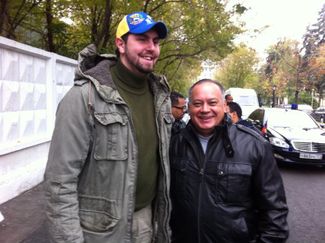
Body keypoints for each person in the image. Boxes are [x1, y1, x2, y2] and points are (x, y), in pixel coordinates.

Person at [44, 11, 172, 243]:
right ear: (120, 44)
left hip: (146, 220)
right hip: (99, 231)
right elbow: (60, 182)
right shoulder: (84, 97)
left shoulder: (161, 98)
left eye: (155, 41)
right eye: (142, 39)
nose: (151, 48)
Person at [169, 79, 289, 243]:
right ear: (189, 108)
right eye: (197, 103)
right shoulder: (174, 144)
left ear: (225, 105)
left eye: (212, 102)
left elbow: (275, 213)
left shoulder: (255, 146)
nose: (205, 109)